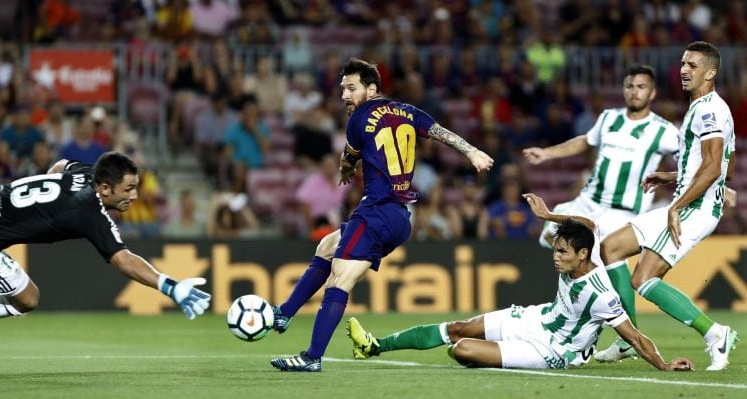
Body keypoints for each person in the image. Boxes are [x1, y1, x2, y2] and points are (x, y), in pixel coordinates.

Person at [269, 58, 494, 372]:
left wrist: (346, 170)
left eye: (351, 88)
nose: (345, 95)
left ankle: (312, 357)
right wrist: (472, 152)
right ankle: (285, 313)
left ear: (371, 88)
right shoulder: (409, 111)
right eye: (343, 89)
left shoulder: (359, 119)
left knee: (339, 279)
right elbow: (443, 134)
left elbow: (349, 159)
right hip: (399, 216)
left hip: (376, 212)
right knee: (326, 247)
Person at [346, 193, 694, 372]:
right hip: (539, 317)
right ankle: (374, 346)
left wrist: (663, 364)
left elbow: (635, 336)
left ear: (583, 255)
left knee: (461, 349)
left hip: (553, 350)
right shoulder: (591, 251)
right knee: (458, 328)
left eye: (562, 252)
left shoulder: (601, 294)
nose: (555, 257)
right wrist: (549, 216)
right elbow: (587, 221)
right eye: (555, 249)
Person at [522, 64, 679, 360]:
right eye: (630, 86)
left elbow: (691, 161)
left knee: (597, 256)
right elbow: (585, 142)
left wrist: (710, 183)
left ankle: (621, 335)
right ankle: (590, 324)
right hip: (587, 202)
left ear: (652, 93)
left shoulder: (664, 131)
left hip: (623, 211)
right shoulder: (608, 118)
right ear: (623, 89)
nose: (634, 91)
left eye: (641, 87)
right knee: (553, 238)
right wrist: (547, 152)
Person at [597, 41, 738, 371]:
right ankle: (628, 340)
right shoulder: (704, 107)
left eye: (692, 65)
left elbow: (715, 167)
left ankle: (715, 334)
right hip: (688, 200)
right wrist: (669, 176)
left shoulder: (708, 110)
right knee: (611, 248)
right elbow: (720, 167)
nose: (684, 70)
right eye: (683, 63)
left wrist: (677, 206)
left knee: (643, 279)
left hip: (694, 208)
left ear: (711, 72)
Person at [0, 151, 210, 320]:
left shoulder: (88, 173)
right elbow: (124, 260)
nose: (135, 196)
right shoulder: (88, 211)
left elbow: (60, 165)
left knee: (28, 296)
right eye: (128, 188)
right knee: (27, 300)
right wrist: (171, 287)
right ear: (106, 189)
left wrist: (47, 204)